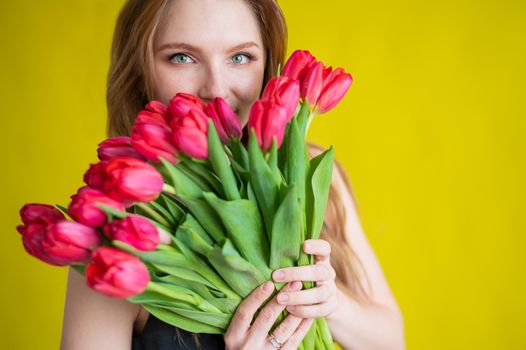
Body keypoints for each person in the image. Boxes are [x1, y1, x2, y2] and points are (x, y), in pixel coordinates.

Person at [60, 0, 405, 349]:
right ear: (140, 71)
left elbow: (393, 341)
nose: (216, 88)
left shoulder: (310, 173)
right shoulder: (121, 231)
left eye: (240, 57)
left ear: (268, 65)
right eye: (182, 57)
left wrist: (329, 303)